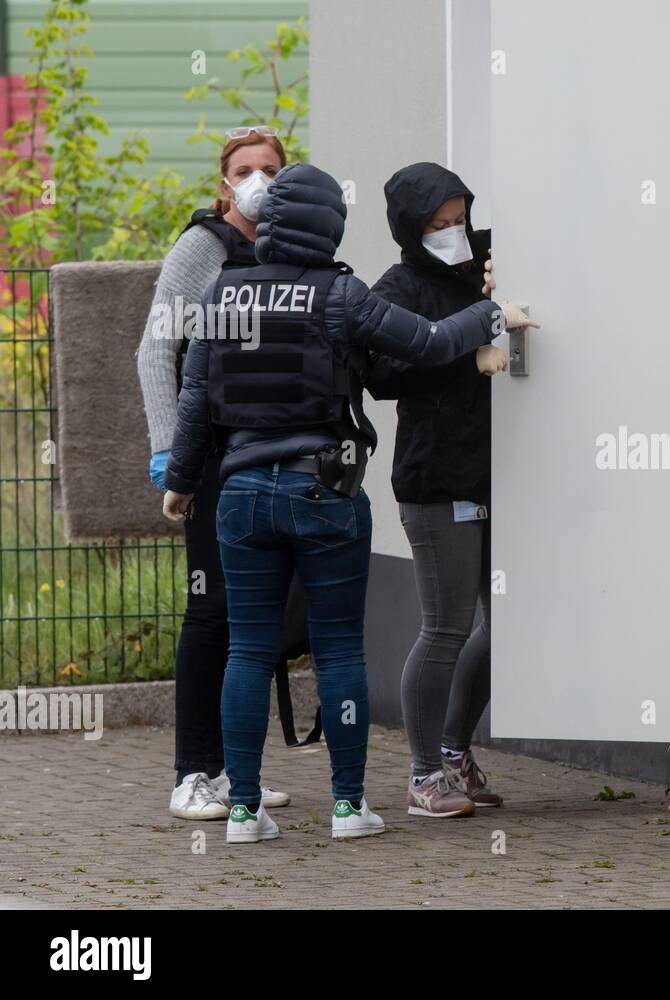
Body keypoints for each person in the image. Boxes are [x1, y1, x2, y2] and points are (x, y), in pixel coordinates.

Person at [160, 162, 535, 844]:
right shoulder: (340, 294)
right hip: (322, 489)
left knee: (247, 650)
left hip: (239, 493)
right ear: (329, 226)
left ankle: (243, 813)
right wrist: (488, 315)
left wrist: (181, 482)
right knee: (337, 652)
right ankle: (348, 808)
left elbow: (194, 399)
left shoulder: (220, 293)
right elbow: (423, 343)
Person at [136, 125, 295, 821]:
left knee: (253, 619)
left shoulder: (293, 250)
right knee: (211, 612)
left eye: (269, 168)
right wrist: (172, 451)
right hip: (212, 461)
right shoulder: (203, 247)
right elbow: (154, 349)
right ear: (223, 182)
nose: (257, 179)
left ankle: (234, 773)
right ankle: (190, 773)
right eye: (244, 169)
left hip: (271, 458)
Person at [367, 163, 506, 819]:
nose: (454, 233)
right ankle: (425, 775)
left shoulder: (488, 266)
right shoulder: (397, 288)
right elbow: (381, 371)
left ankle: (454, 751)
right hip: (436, 478)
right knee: (446, 627)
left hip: (501, 473)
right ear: (410, 228)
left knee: (511, 623)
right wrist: (465, 338)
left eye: (460, 219)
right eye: (438, 225)